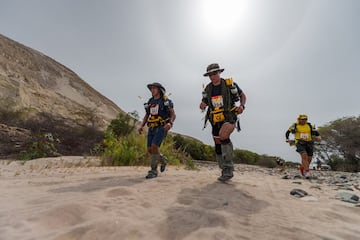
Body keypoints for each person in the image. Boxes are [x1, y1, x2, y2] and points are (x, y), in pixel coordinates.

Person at [200, 63, 246, 182]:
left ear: (219, 73)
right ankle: (223, 167)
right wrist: (202, 104)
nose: (212, 76)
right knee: (217, 142)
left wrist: (242, 106)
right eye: (210, 74)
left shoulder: (230, 84)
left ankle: (228, 168)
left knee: (223, 135)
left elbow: (242, 95)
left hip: (229, 115)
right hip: (214, 118)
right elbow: (204, 100)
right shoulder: (208, 88)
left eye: (215, 73)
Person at [138, 82, 176, 179]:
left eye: (154, 88)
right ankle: (163, 160)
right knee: (150, 150)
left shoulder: (165, 100)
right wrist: (141, 125)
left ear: (159, 89)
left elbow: (173, 114)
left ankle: (153, 171)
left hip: (162, 127)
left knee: (155, 146)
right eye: (151, 89)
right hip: (152, 127)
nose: (152, 90)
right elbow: (147, 115)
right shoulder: (150, 101)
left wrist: (170, 123)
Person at [285, 114, 321, 178]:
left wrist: (318, 136)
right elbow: (287, 132)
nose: (304, 120)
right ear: (299, 119)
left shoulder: (309, 125)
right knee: (304, 155)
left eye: (305, 119)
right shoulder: (295, 125)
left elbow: (316, 132)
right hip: (299, 142)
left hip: (309, 143)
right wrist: (287, 139)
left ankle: (302, 168)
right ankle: (307, 172)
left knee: (309, 159)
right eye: (302, 119)